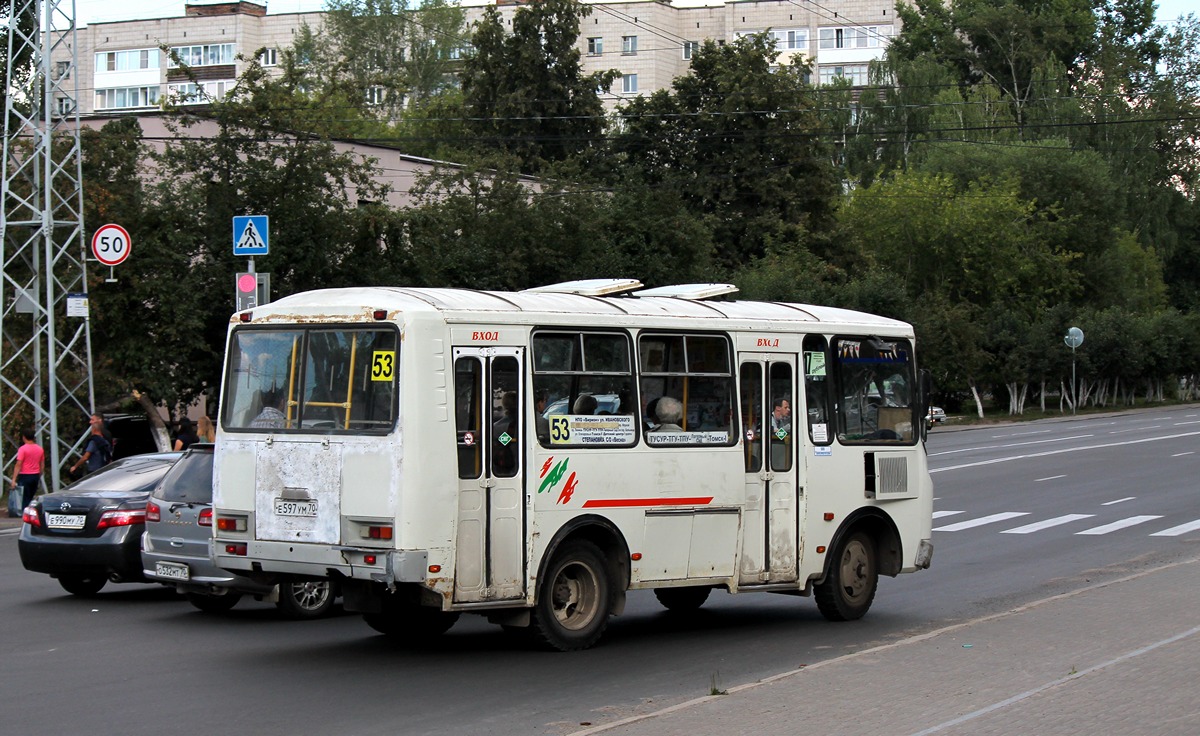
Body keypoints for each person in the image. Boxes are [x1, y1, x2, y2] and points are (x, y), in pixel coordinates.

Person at [9, 427, 44, 512]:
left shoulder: (23, 449)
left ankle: (26, 517)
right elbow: (42, 465)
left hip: (25, 476)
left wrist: (13, 479)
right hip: (35, 475)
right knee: (31, 497)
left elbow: (18, 464)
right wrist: (39, 475)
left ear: (24, 437)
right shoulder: (40, 449)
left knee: (24, 498)